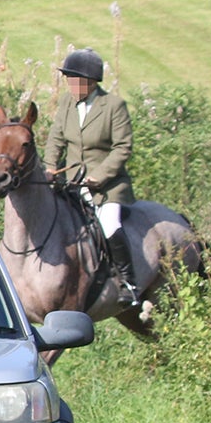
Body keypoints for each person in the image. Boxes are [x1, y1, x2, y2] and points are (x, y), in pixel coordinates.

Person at [43, 47, 139, 304]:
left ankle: (127, 282)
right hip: (72, 183)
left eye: (75, 80)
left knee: (109, 224)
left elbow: (123, 147)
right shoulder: (67, 103)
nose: (71, 85)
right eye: (69, 79)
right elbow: (56, 138)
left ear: (91, 81)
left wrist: (99, 175)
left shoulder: (114, 106)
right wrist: (50, 166)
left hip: (106, 187)